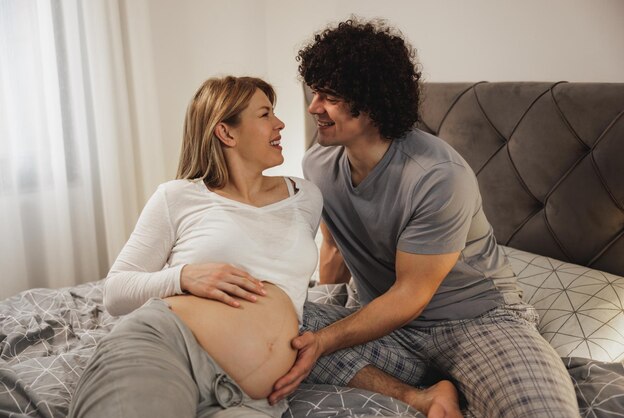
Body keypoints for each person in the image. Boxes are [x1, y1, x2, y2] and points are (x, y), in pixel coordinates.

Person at [268, 18, 580, 418]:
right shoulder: (317, 165)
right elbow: (333, 249)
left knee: (543, 412)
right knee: (267, 318)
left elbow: (411, 296)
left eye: (328, 96)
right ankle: (423, 396)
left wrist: (325, 341)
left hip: (476, 323)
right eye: (314, 93)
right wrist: (318, 312)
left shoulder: (436, 175)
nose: (313, 109)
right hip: (384, 327)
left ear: (372, 100)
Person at [68, 76, 324, 418]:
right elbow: (115, 292)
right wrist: (184, 277)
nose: (280, 124)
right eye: (265, 115)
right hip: (165, 350)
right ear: (226, 133)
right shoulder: (177, 196)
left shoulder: (306, 196)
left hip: (255, 400)